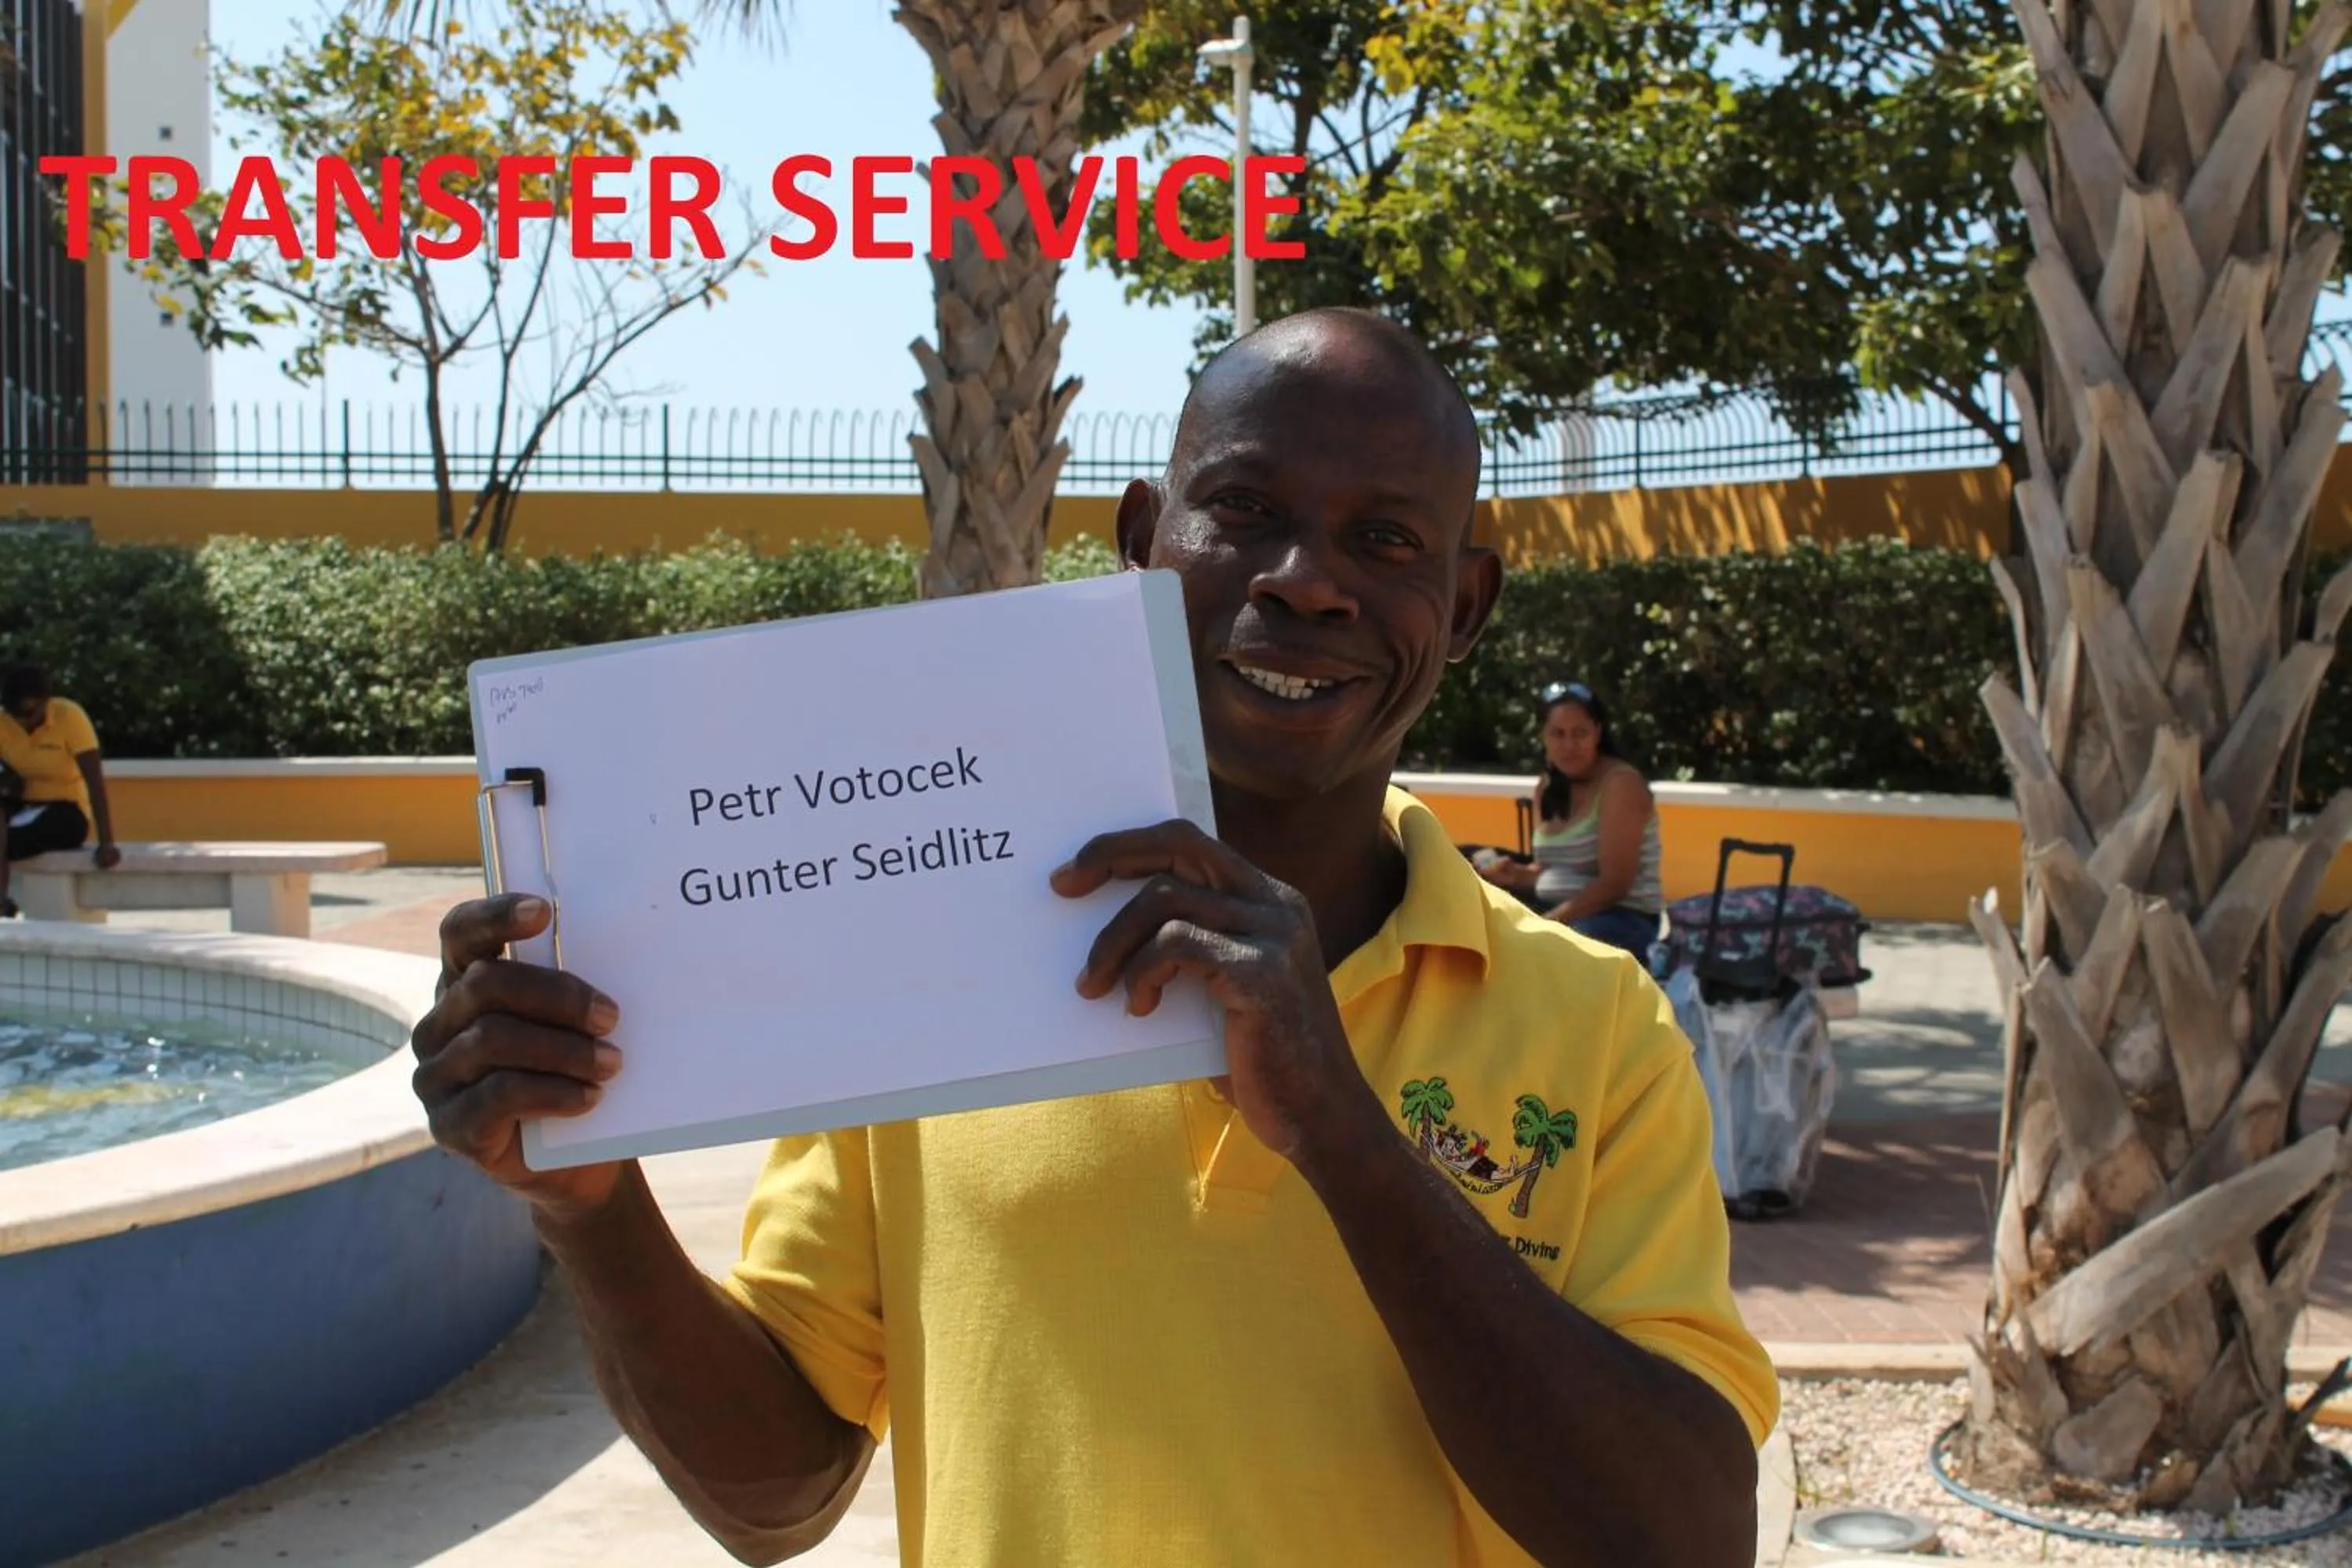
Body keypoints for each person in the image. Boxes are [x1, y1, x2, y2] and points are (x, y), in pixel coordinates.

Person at [407, 308, 1775, 1567]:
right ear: (1141, 538)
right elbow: (778, 1497)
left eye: (1388, 540)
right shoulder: (918, 964)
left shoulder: (1600, 1027)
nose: (1306, 583)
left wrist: (1343, 1131)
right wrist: (586, 1206)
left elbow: (1687, 1543)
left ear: (1466, 608)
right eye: (1244, 508)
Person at [1478, 681, 1665, 959]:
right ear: (1543, 736)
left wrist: (1549, 923)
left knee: (1551, 953)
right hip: (1562, 910)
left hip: (1622, 918)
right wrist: (1519, 875)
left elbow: (1615, 884)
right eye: (1558, 734)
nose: (1569, 745)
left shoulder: (1621, 784)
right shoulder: (1547, 787)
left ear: (1598, 733)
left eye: (1580, 733)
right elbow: (1550, 869)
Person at [0, 665, 121, 919]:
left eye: (30, 712)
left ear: (47, 701)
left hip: (66, 810)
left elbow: (95, 782)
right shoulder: (3, 725)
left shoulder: (69, 716)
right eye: (16, 715)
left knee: (9, 841)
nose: (25, 721)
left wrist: (106, 842)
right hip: (22, 806)